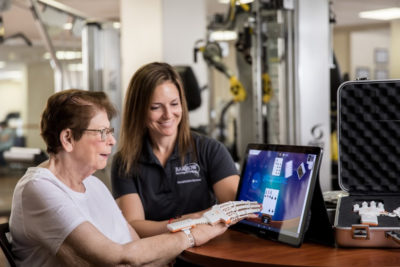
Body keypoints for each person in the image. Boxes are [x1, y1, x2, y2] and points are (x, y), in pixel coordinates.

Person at [9, 89, 240, 267]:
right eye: (102, 132)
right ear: (68, 138)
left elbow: (137, 249)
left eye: (110, 132)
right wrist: (194, 234)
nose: (112, 141)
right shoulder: (38, 188)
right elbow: (120, 259)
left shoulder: (93, 184)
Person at [111, 62, 240, 238]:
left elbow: (235, 209)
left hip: (206, 252)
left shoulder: (210, 150)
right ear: (138, 110)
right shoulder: (125, 162)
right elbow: (134, 226)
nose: (168, 114)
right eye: (156, 107)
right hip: (157, 256)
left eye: (174, 104)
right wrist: (195, 218)